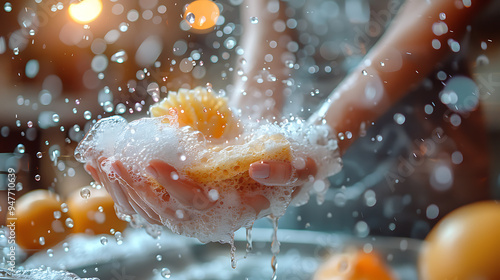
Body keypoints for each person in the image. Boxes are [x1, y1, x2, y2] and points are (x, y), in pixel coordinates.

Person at [84, 0, 492, 226]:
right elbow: (267, 27)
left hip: (427, 178)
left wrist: (323, 139)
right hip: (292, 190)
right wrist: (238, 134)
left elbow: (436, 15)